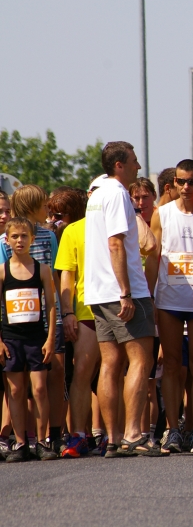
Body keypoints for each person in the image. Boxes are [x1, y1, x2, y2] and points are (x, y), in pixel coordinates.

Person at [84, 141, 161, 457]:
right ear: (119, 164)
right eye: (134, 161)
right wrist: (126, 292)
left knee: (110, 364)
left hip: (99, 291)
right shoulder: (116, 193)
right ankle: (132, 434)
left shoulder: (98, 193)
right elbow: (115, 244)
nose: (138, 166)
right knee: (141, 361)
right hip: (123, 292)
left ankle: (113, 439)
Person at [149, 159, 193, 454]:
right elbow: (153, 258)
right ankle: (173, 430)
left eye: (192, 181)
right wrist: (150, 297)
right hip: (169, 299)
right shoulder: (162, 214)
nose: (186, 187)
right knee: (172, 364)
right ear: (173, 183)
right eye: (181, 181)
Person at [0, 185, 66, 454]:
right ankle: (20, 441)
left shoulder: (47, 248)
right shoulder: (4, 257)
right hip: (12, 331)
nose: (19, 241)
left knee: (46, 382)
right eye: (14, 237)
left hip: (43, 328)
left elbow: (54, 291)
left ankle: (48, 437)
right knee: (16, 388)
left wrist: (58, 323)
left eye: (24, 236)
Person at [54, 184, 96, 458]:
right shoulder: (73, 230)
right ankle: (79, 434)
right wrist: (68, 312)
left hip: (118, 309)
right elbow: (66, 275)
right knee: (81, 372)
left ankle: (113, 436)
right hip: (85, 311)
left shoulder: (124, 225)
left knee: (113, 374)